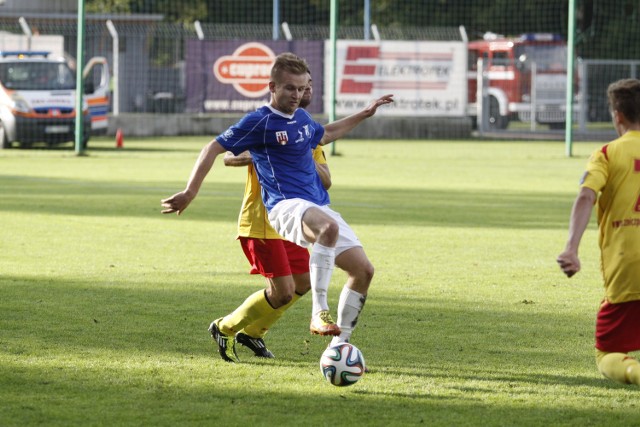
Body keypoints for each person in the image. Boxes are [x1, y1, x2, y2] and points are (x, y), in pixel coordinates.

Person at [161, 53, 393, 362]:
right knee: (318, 243)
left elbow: (327, 138)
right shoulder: (260, 121)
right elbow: (217, 149)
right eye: (291, 88)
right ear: (272, 87)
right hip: (281, 210)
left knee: (360, 270)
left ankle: (340, 347)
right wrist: (191, 192)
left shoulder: (302, 121)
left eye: (302, 88)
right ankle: (301, 316)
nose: (298, 94)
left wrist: (365, 113)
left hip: (312, 210)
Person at [213, 71, 332, 362]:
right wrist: (263, 154)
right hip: (260, 221)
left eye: (307, 86)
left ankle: (253, 332)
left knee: (302, 284)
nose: (305, 91)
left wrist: (300, 155)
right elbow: (228, 156)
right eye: (297, 87)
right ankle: (224, 327)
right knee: (282, 292)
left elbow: (326, 179)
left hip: (292, 223)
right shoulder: (263, 123)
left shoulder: (307, 130)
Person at [557, 78, 640, 386]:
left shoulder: (606, 154)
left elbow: (586, 196)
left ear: (617, 115)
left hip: (628, 265)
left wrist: (570, 249)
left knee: (608, 354)